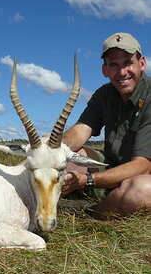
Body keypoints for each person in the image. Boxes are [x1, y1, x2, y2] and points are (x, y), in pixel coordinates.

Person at [61, 32, 151, 219]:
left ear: (141, 63)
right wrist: (55, 149)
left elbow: (142, 165)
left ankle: (90, 213)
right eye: (114, 65)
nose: (122, 72)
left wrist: (88, 181)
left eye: (128, 63)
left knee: (141, 191)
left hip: (141, 176)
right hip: (110, 166)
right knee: (57, 152)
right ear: (105, 70)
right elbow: (81, 130)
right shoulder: (104, 94)